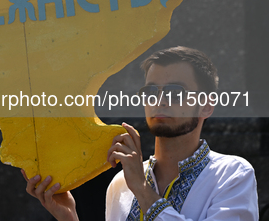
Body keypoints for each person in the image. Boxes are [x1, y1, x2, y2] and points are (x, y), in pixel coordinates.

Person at [23, 46, 258, 221]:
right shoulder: (119, 184)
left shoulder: (233, 175)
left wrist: (141, 187)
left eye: (175, 91)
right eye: (151, 91)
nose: (160, 100)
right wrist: (69, 216)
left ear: (206, 105)